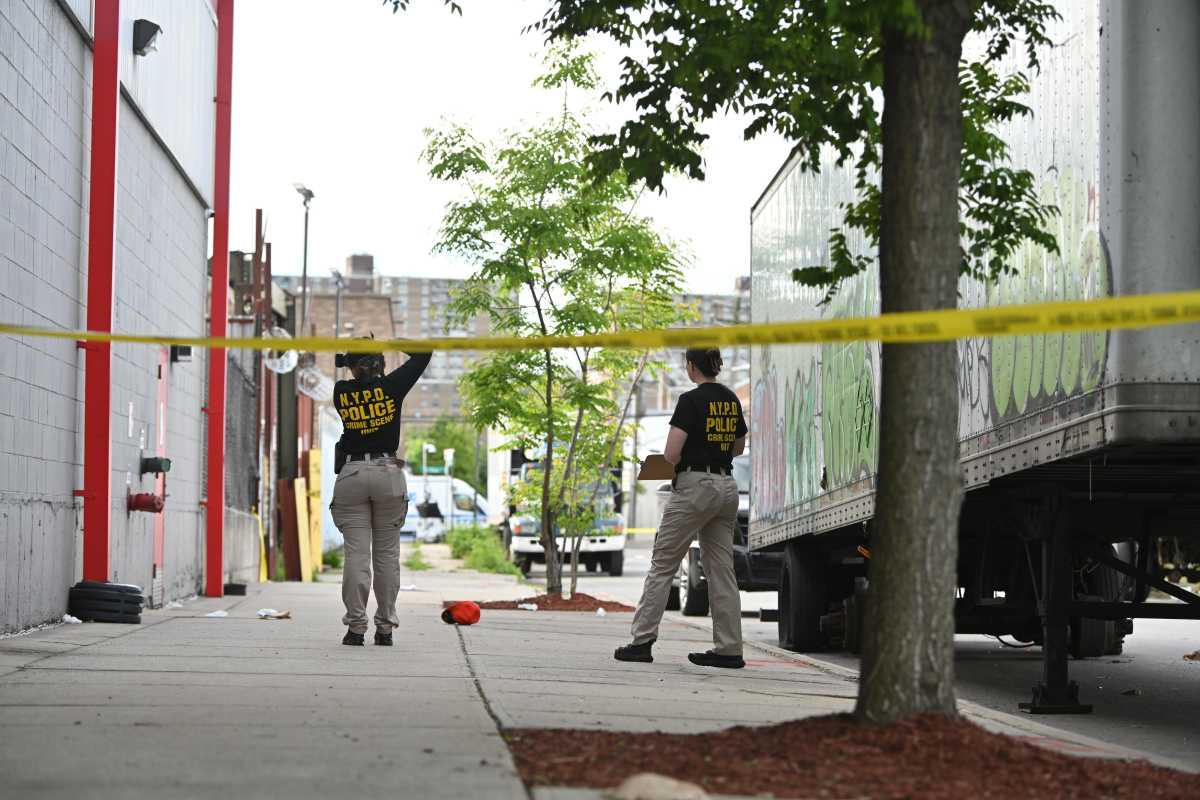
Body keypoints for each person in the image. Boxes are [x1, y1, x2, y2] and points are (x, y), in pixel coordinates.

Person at [615, 347, 748, 668]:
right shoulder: (731, 399)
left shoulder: (690, 401)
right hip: (727, 487)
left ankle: (642, 641)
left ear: (691, 366)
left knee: (663, 563)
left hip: (695, 488)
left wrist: (673, 464)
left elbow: (672, 453)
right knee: (721, 570)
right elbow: (739, 446)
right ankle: (729, 649)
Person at [330, 344, 431, 646]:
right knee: (387, 556)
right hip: (388, 472)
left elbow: (356, 377)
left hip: (352, 474)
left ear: (351, 365)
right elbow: (424, 354)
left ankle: (356, 628)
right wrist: (394, 342)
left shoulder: (341, 391)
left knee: (356, 555)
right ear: (380, 363)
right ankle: (385, 628)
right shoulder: (392, 387)